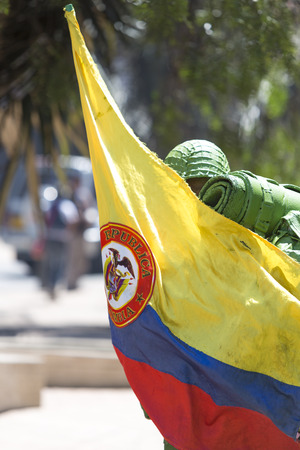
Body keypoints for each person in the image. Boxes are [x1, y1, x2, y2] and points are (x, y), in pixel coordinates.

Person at [164, 139, 300, 264]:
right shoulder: (159, 242)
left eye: (203, 194)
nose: (195, 203)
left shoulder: (247, 247)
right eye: (181, 194)